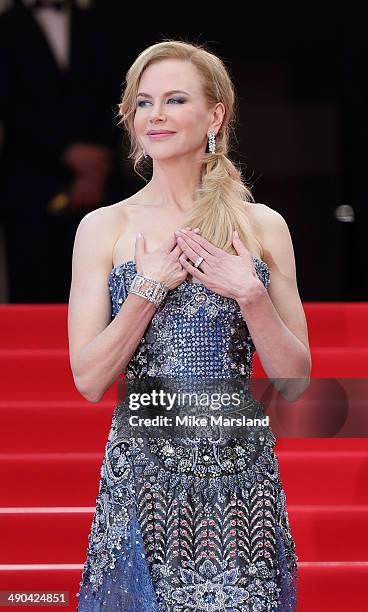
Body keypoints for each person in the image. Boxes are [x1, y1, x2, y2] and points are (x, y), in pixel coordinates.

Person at [69, 39, 311, 611]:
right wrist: (148, 289)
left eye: (175, 100)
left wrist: (251, 295)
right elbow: (88, 379)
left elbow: (297, 380)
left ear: (215, 115)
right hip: (143, 476)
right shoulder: (103, 228)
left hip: (239, 486)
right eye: (143, 102)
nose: (155, 115)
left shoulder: (261, 226)